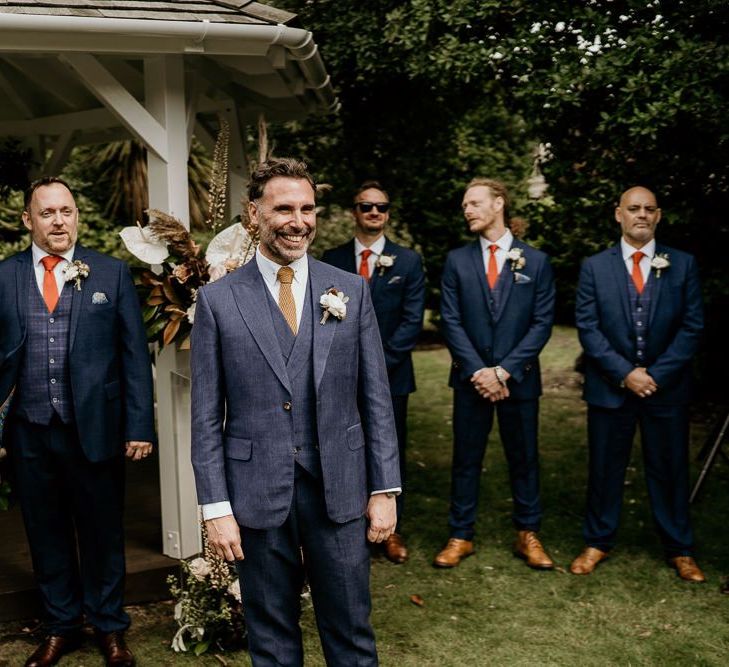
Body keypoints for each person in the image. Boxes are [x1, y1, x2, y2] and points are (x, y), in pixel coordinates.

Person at [190, 158, 401, 666]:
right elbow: (204, 416)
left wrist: (384, 488)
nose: (298, 220)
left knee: (351, 630)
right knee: (271, 636)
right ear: (253, 213)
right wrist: (215, 509)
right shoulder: (218, 301)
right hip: (256, 491)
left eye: (307, 208)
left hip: (341, 486)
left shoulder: (349, 290)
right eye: (284, 208)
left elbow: (376, 398)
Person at [0, 177, 155, 666]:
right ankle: (61, 626)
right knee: (44, 533)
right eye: (47, 213)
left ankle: (110, 628)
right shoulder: (3, 277)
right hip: (29, 431)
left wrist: (139, 426)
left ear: (76, 216)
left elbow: (134, 356)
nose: (59, 221)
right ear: (29, 220)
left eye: (66, 211)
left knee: (102, 533)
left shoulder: (110, 274)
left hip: (95, 429)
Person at [570, 186, 705, 582]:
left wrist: (656, 375)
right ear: (618, 215)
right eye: (633, 209)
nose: (641, 215)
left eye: (648, 209)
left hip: (667, 389)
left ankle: (679, 548)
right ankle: (597, 541)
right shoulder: (595, 267)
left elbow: (692, 326)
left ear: (658, 216)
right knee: (604, 468)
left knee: (669, 468)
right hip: (611, 387)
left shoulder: (682, 264)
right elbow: (589, 327)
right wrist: (624, 373)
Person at [434, 178, 555, 570]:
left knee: (524, 459)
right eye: (464, 205)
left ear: (498, 203)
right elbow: (450, 321)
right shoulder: (456, 261)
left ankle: (528, 534)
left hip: (518, 379)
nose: (466, 210)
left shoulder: (535, 262)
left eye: (473, 203)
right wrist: (480, 372)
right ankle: (460, 534)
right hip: (471, 382)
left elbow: (541, 323)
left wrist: (504, 371)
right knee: (465, 459)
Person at [321, 180, 425, 564]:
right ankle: (349, 526)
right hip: (339, 378)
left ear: (388, 213)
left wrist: (377, 367)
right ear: (355, 212)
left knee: (389, 447)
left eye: (381, 207)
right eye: (366, 206)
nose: (374, 213)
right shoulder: (330, 260)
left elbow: (412, 321)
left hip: (393, 374)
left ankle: (392, 530)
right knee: (343, 447)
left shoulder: (409, 261)